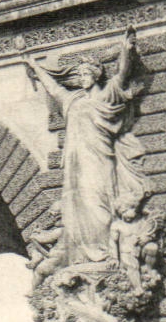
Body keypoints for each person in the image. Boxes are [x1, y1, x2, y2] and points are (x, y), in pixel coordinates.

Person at [17, 27, 147, 268]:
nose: (82, 78)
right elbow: (54, 89)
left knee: (98, 203)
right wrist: (32, 64)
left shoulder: (106, 96)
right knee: (76, 206)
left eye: (86, 73)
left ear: (96, 75)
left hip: (99, 159)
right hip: (75, 163)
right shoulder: (72, 100)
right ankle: (81, 256)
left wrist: (127, 51)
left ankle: (106, 254)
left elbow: (121, 75)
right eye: (80, 75)